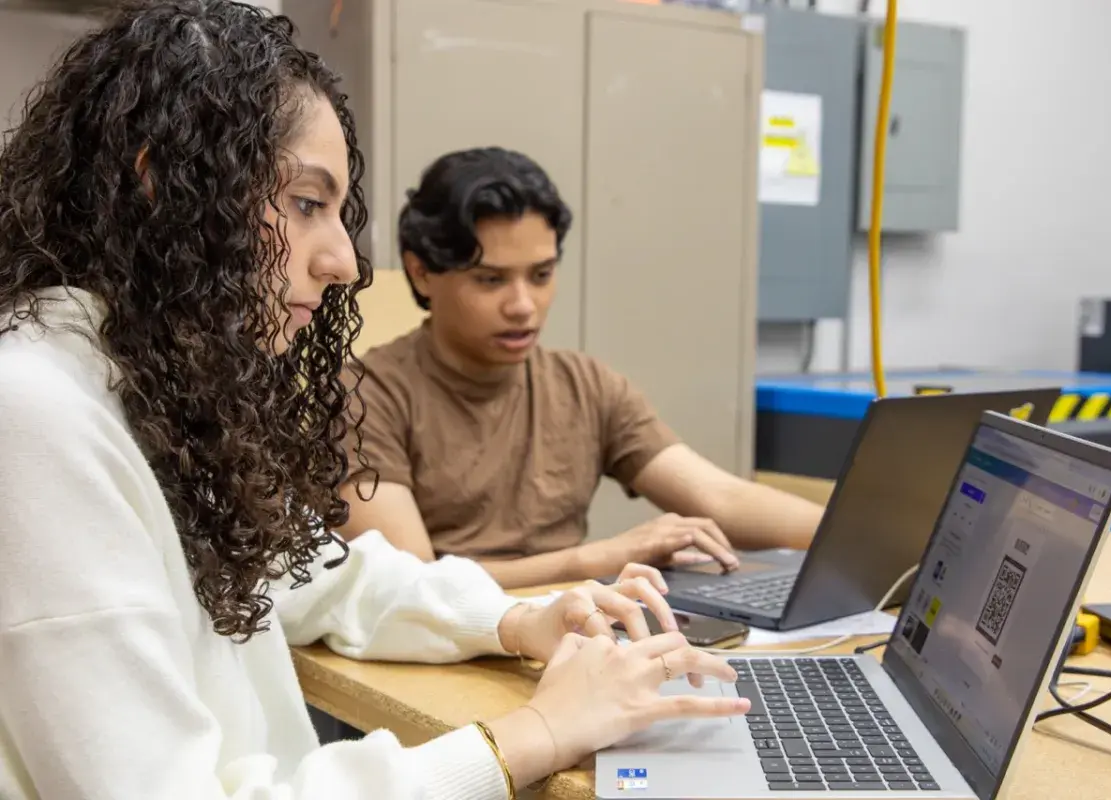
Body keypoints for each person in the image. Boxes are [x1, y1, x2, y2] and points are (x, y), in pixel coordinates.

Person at [0, 3, 748, 798]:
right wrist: (532, 734)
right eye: (304, 204)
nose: (345, 263)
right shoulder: (36, 412)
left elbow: (323, 577)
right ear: (164, 186)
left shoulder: (147, 383)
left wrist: (519, 621)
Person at [338, 147, 827, 588]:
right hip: (432, 660)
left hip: (571, 642)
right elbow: (409, 582)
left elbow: (722, 499)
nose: (524, 306)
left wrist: (875, 544)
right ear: (422, 271)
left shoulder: (586, 387)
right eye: (490, 280)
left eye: (542, 275)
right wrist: (599, 560)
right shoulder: (364, 396)